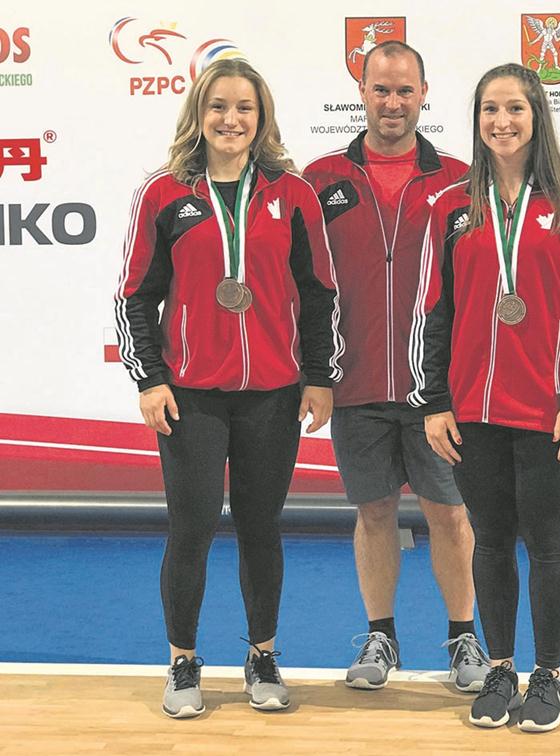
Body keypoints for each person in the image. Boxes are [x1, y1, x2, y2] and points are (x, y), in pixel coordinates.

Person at [114, 58, 344, 718]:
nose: (231, 119)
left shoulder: (292, 194)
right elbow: (136, 295)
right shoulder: (163, 194)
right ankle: (182, 661)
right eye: (218, 106)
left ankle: (262, 655)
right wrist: (150, 379)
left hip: (273, 392)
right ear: (199, 113)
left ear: (261, 117)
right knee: (190, 530)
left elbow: (319, 293)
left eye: (244, 107)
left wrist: (321, 377)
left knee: (259, 528)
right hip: (190, 394)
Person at [409, 63, 560, 732]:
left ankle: (549, 675)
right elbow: (431, 312)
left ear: (537, 118)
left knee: (547, 540)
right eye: (489, 109)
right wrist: (433, 401)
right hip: (470, 412)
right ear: (476, 121)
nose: (501, 121)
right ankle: (501, 669)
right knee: (492, 540)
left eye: (515, 109)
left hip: (547, 411)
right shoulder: (450, 207)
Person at [302, 41, 489, 692]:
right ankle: (381, 636)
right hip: (353, 385)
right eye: (381, 89)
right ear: (361, 90)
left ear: (424, 93)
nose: (392, 102)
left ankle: (464, 639)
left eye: (404, 90)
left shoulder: (463, 180)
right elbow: (303, 284)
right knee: (375, 513)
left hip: (437, 391)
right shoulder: (319, 178)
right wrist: (314, 372)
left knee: (449, 514)